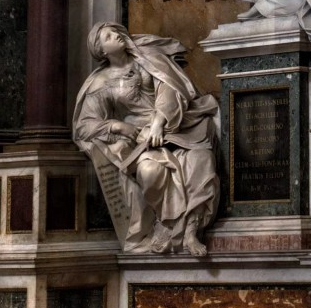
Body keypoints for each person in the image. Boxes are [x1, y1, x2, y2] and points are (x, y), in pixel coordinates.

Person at [73, 22, 220, 256]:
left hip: (178, 123)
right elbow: (84, 126)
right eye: (108, 36)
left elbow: (170, 88)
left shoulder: (147, 57)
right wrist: (117, 125)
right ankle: (167, 223)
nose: (117, 35)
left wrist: (159, 122)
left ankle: (191, 230)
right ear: (101, 50)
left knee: (199, 158)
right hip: (142, 140)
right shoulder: (100, 84)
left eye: (115, 31)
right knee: (149, 172)